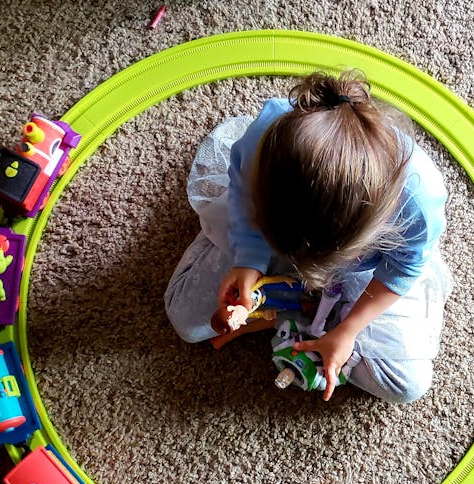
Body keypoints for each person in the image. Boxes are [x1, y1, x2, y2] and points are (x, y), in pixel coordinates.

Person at [165, 70, 453, 403]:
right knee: (185, 320)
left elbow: (403, 269)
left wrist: (348, 332)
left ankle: (302, 307)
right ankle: (299, 303)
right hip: (274, 234)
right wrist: (248, 260)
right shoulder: (265, 140)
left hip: (363, 269)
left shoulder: (418, 200)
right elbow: (244, 197)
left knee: (407, 385)